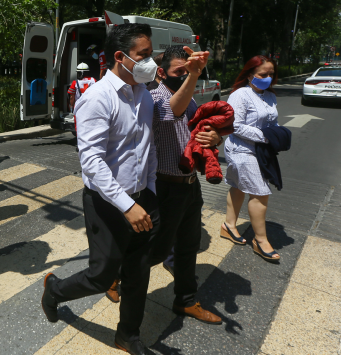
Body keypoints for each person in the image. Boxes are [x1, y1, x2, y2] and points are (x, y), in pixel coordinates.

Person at [41, 23, 160, 354]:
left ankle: (128, 334)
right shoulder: (96, 98)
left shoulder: (144, 95)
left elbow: (145, 148)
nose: (151, 63)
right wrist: (127, 205)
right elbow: (91, 162)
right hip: (107, 203)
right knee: (102, 274)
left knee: (138, 272)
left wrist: (149, 192)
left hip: (143, 199)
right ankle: (55, 290)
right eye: (144, 55)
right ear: (120, 57)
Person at [105, 46, 223, 323]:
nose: (184, 76)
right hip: (165, 188)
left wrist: (215, 138)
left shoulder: (191, 99)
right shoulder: (154, 97)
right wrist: (194, 75)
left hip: (190, 185)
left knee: (188, 246)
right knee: (155, 250)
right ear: (162, 73)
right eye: (178, 72)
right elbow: (174, 110)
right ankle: (113, 275)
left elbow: (199, 130)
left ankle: (186, 300)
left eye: (188, 71)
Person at [223, 56, 281, 261]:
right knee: (259, 192)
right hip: (241, 149)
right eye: (262, 74)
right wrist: (265, 136)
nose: (267, 78)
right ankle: (261, 240)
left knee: (239, 186)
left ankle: (228, 225)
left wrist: (277, 135)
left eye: (271, 74)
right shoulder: (241, 95)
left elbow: (273, 121)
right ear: (250, 75)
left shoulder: (270, 95)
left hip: (261, 151)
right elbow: (235, 126)